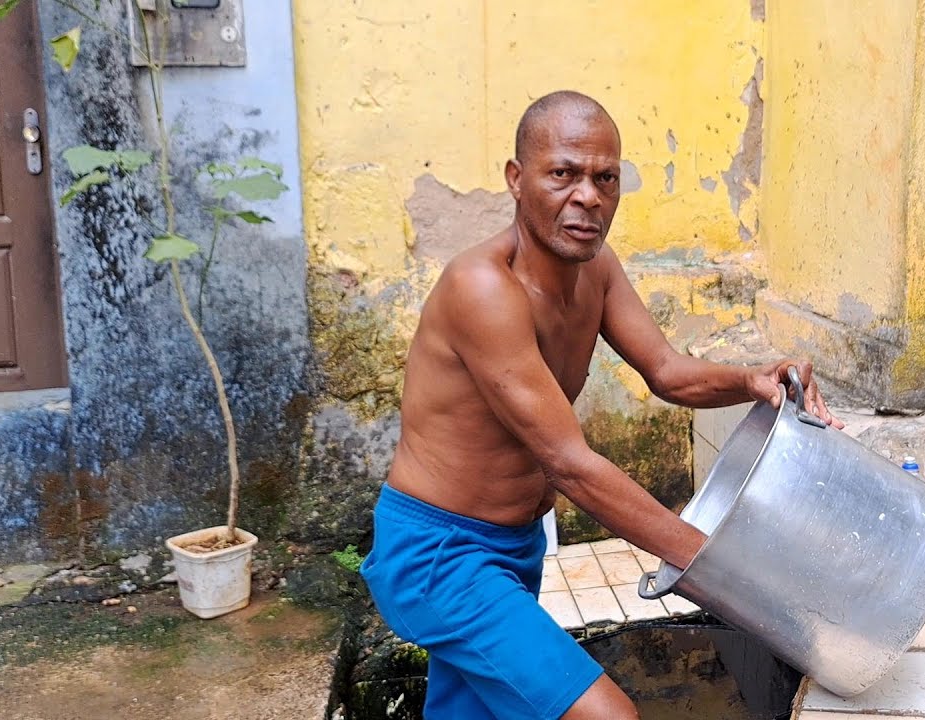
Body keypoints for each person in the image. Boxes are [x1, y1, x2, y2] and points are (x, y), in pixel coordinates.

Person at [359, 90, 844, 720]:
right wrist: (713, 562)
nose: (587, 196)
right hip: (442, 556)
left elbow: (667, 372)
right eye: (563, 173)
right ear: (516, 179)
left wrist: (753, 378)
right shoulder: (482, 288)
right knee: (609, 715)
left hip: (514, 545)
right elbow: (570, 464)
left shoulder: (597, 269)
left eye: (604, 178)